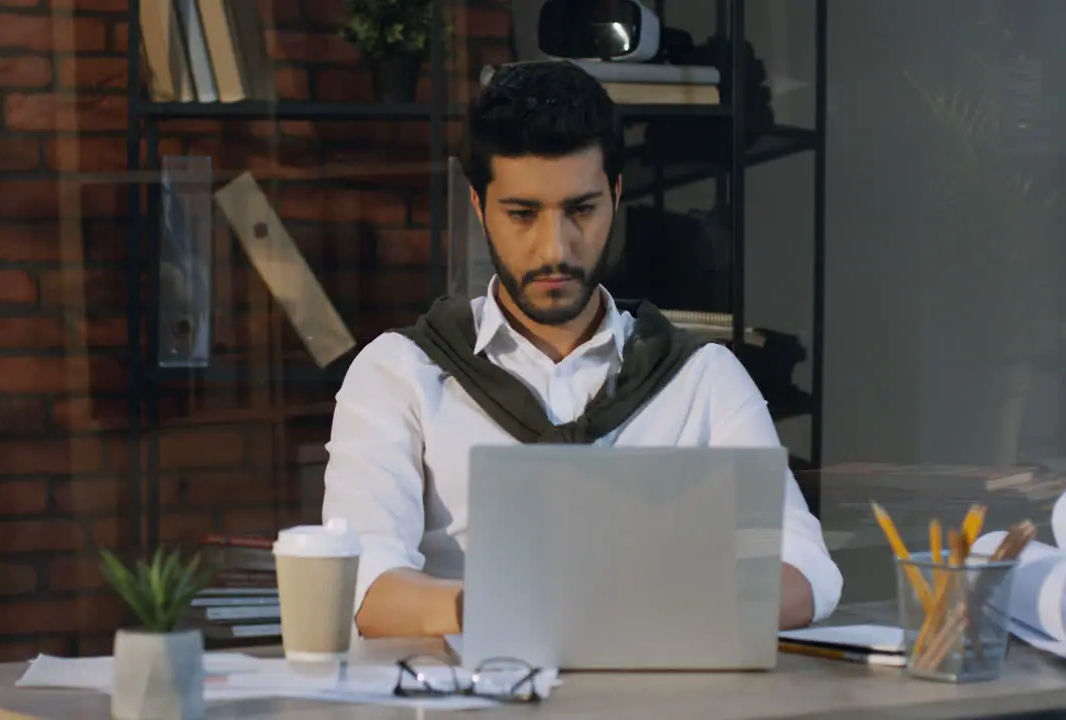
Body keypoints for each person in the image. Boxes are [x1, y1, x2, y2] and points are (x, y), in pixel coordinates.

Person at [321, 60, 842, 639]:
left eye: (581, 210)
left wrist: (630, 609)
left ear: (616, 195)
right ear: (479, 207)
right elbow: (359, 584)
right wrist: (520, 609)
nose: (556, 248)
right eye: (522, 214)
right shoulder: (398, 375)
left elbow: (805, 571)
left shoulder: (703, 378)